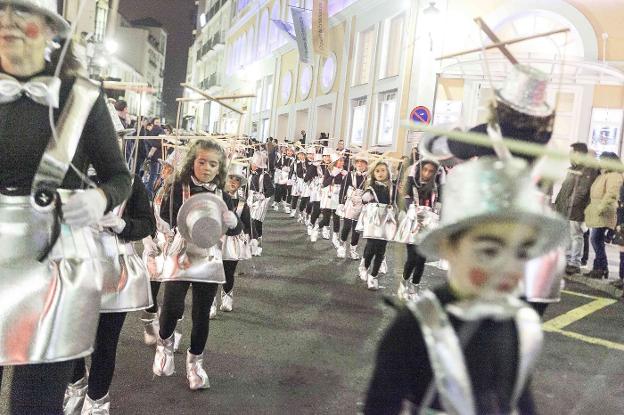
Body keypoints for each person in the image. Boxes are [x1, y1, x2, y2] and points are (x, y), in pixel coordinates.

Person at [0, 1, 132, 413]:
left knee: (35, 402)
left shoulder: (83, 96)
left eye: (22, 16)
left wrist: (99, 198)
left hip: (57, 260)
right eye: (0, 14)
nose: (8, 23)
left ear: (52, 31)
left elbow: (118, 176)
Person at [364, 158, 567, 414]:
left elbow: (518, 398)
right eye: (490, 251)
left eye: (522, 253)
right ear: (448, 247)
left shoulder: (520, 324)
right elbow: (381, 405)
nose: (509, 268)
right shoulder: (416, 326)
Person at [153, 139, 242, 390]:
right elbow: (168, 217)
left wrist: (232, 221)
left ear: (219, 168)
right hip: (181, 252)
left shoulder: (222, 193)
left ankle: (195, 363)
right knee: (171, 307)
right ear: (193, 161)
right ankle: (164, 346)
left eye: (213, 164)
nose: (206, 168)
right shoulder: (179, 186)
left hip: (208, 256)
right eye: (202, 162)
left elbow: (236, 229)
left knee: (201, 314)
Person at [65, 177, 155, 414]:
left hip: (116, 271)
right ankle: (76, 385)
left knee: (105, 342)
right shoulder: (67, 175)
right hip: (73, 268)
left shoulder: (132, 182)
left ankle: (97, 400)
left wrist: (122, 225)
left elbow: (147, 224)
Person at [395, 158, 441, 300]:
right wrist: (409, 207)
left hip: (428, 224)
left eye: (430, 171)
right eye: (424, 169)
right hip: (413, 222)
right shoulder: (412, 182)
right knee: (412, 257)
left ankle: (415, 287)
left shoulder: (436, 186)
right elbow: (403, 198)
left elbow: (440, 203)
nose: (427, 173)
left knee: (422, 259)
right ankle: (403, 283)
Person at [553, 143, 599, 275]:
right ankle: (567, 261)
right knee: (568, 236)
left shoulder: (587, 169)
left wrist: (569, 203)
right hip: (566, 208)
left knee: (576, 236)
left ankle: (575, 263)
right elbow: (565, 187)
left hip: (576, 209)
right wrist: (559, 202)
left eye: (573, 152)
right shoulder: (574, 167)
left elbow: (582, 190)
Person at [216, 163, 252, 315]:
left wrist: (252, 238)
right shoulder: (216, 196)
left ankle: (227, 296)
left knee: (228, 271)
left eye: (237, 180)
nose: (233, 182)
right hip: (215, 239)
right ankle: (210, 302)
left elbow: (247, 223)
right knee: (212, 271)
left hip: (232, 242)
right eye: (230, 178)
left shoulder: (242, 202)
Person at [583, 151, 624, 279]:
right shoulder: (604, 174)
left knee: (595, 239)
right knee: (597, 240)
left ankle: (602, 268)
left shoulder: (614, 175)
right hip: (599, 210)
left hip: (605, 211)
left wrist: (600, 207)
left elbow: (611, 194)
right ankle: (599, 268)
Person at [359, 160, 394, 290]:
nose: (380, 173)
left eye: (383, 170)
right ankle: (365, 265)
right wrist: (366, 196)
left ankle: (373, 276)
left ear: (388, 172)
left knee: (381, 249)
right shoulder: (372, 187)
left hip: (386, 220)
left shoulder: (392, 187)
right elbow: (364, 200)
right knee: (371, 247)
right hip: (373, 221)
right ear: (373, 173)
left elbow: (395, 201)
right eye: (377, 171)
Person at [337, 152, 368, 259]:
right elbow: (343, 189)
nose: (360, 164)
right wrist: (341, 202)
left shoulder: (369, 177)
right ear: (355, 164)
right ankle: (342, 245)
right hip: (350, 203)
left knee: (357, 229)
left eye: (362, 162)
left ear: (366, 165)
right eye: (358, 162)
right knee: (346, 226)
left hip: (362, 205)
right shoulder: (350, 175)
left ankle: (353, 249)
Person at [248, 151, 274, 256]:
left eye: (254, 163)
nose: (252, 165)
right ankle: (252, 244)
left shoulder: (265, 176)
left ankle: (258, 246)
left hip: (261, 202)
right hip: (251, 200)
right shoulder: (250, 174)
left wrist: (263, 196)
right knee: (250, 222)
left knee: (257, 223)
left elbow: (271, 190)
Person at [319, 153, 347, 248]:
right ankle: (320, 228)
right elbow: (325, 184)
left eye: (343, 161)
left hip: (338, 195)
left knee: (336, 217)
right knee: (326, 217)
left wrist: (345, 176)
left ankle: (335, 237)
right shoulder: (329, 170)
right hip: (329, 193)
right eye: (340, 160)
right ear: (335, 162)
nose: (342, 162)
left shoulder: (344, 172)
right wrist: (332, 176)